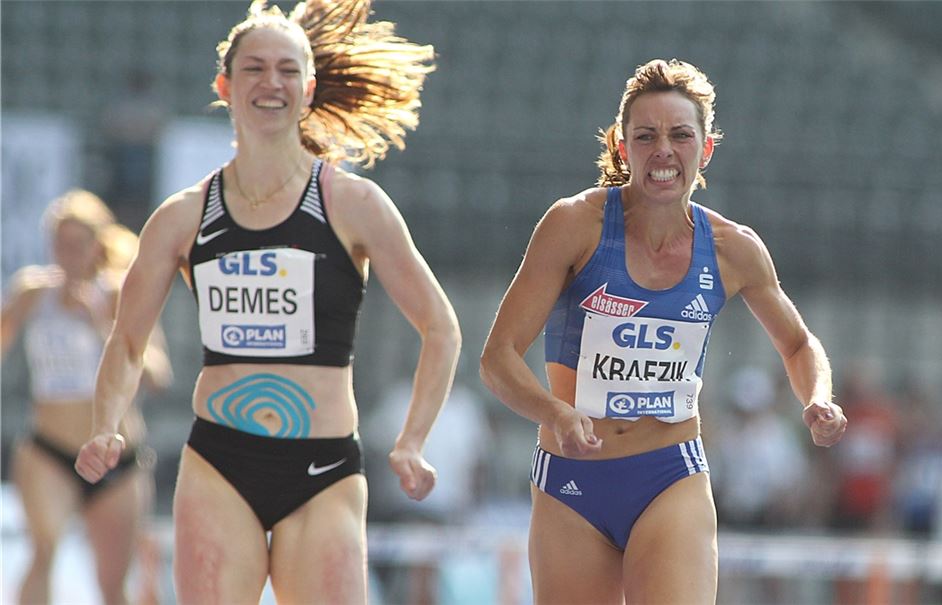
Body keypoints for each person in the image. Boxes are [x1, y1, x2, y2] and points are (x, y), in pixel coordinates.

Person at [74, 1, 460, 602]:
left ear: (308, 89)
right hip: (220, 465)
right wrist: (105, 427)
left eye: (286, 70)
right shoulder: (181, 217)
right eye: (253, 69)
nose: (270, 83)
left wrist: (412, 439)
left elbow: (440, 326)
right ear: (226, 86)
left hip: (324, 469)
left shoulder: (353, 204)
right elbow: (127, 341)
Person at [480, 58, 847, 604]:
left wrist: (818, 397)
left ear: (706, 148)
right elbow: (498, 357)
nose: (664, 151)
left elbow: (798, 343)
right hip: (572, 481)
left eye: (680, 135)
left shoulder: (732, 248)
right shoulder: (574, 225)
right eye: (646, 136)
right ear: (624, 148)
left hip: (668, 475)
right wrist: (555, 412)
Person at [1, 189, 172, 605]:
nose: (68, 253)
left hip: (115, 455)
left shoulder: (115, 294)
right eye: (60, 243)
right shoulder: (31, 292)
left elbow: (157, 372)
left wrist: (100, 324)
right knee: (42, 552)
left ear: (97, 245)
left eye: (79, 244)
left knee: (114, 583)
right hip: (50, 450)